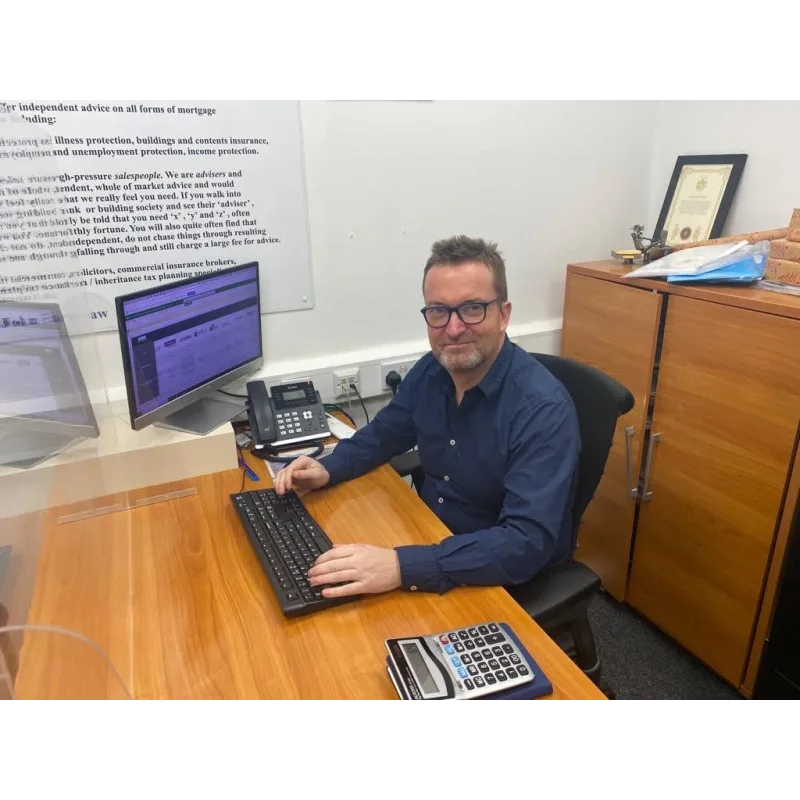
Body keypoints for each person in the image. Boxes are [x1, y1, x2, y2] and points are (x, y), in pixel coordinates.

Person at [275, 235, 581, 600]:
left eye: (472, 308)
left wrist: (400, 567)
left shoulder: (542, 410)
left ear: (504, 315)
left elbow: (524, 544)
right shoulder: (432, 371)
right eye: (438, 311)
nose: (453, 328)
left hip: (497, 572)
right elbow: (384, 434)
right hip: (430, 536)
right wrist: (328, 468)